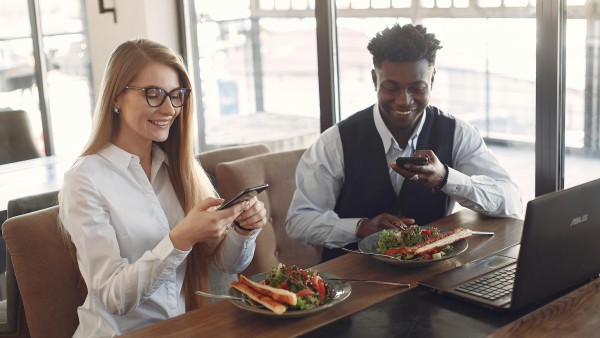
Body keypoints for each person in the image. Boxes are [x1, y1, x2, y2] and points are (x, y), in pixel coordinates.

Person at [58, 38, 267, 337]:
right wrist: (181, 239)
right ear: (116, 97)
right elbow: (113, 297)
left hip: (180, 328)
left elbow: (226, 263)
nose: (169, 108)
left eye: (176, 95)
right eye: (153, 94)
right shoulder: (85, 179)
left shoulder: (179, 168)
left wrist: (244, 231)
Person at [285, 23, 523, 262]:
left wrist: (445, 178)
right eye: (391, 88)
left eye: (417, 88)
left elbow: (510, 201)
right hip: (353, 274)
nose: (404, 100)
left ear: (432, 80)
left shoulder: (458, 133)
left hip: (432, 271)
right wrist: (359, 227)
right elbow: (299, 221)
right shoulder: (335, 141)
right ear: (374, 79)